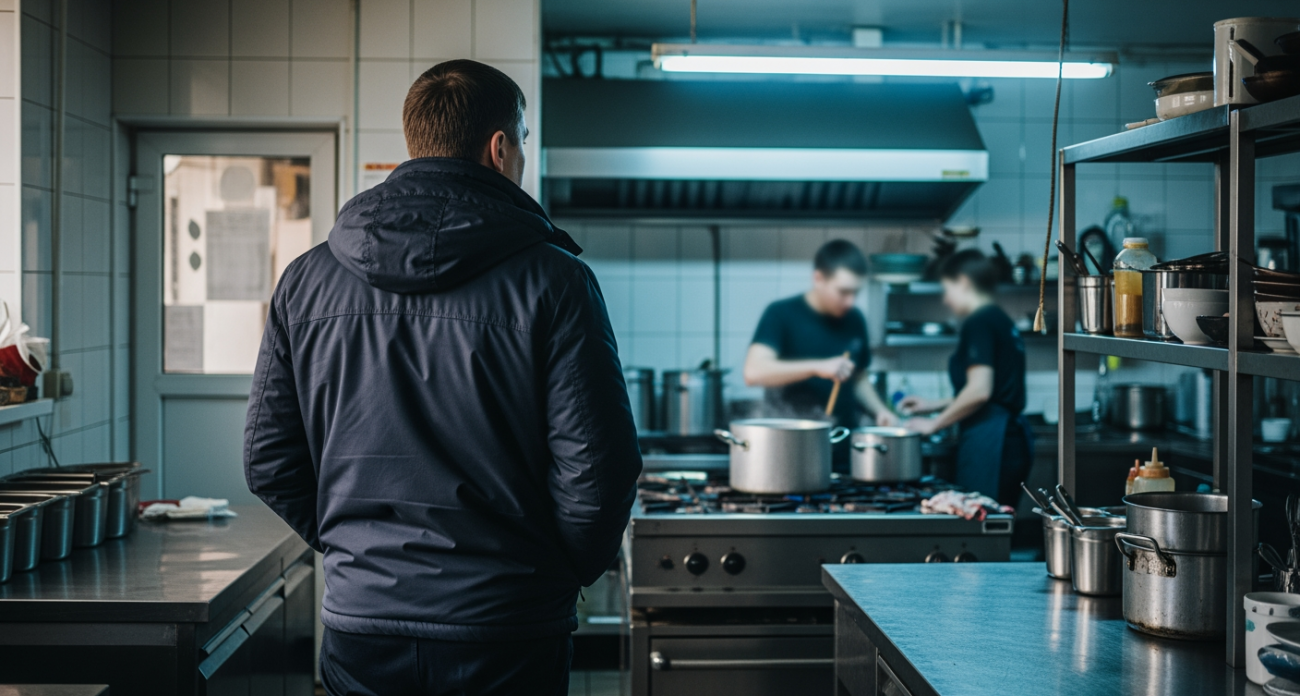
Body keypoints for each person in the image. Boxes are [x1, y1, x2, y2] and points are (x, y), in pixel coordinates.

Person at [243, 59, 642, 696]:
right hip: (508, 628)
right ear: (500, 147)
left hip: (364, 626)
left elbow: (268, 459)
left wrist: (360, 552)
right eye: (523, 144)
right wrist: (552, 572)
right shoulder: (555, 281)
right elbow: (599, 471)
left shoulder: (306, 279)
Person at [743, 240, 899, 469]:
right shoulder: (781, 314)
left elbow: (857, 377)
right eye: (843, 292)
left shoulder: (854, 319)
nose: (850, 301)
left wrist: (881, 410)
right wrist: (816, 367)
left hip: (843, 446)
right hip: (791, 449)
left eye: (855, 293)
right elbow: (754, 372)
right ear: (819, 279)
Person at [898, 249, 1030, 506]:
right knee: (994, 524)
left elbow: (980, 391)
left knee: (980, 524)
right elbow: (992, 391)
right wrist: (931, 404)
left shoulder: (978, 322)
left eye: (947, 289)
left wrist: (934, 423)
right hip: (1007, 436)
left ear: (964, 283)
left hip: (991, 441)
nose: (946, 299)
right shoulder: (999, 319)